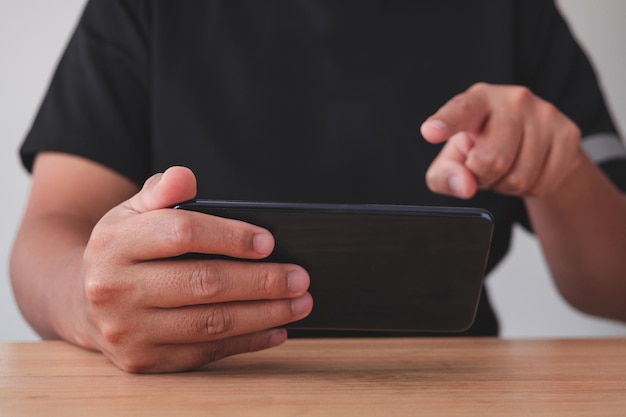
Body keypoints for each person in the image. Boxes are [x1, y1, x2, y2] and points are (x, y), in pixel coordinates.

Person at [10, 0, 626, 373]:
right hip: (193, 389)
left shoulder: (512, 9)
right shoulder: (142, 8)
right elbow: (48, 235)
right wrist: (91, 306)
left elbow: (615, 287)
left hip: (451, 386)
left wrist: (562, 174)